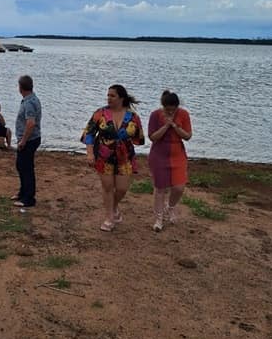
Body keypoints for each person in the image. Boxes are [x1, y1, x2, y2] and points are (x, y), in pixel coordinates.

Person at [82, 84, 145, 231]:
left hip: (125, 157)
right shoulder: (100, 113)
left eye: (112, 95)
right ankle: (109, 217)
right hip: (104, 155)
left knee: (122, 189)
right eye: (108, 95)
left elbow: (139, 138)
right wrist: (90, 153)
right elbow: (89, 134)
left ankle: (114, 206)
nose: (109, 98)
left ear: (121, 98)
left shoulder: (133, 117)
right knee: (108, 187)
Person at [148, 90, 192, 232]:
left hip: (177, 154)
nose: (171, 112)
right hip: (159, 154)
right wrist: (166, 126)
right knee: (160, 188)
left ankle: (171, 207)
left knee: (179, 187)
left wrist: (174, 126)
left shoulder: (183, 114)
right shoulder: (155, 115)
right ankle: (158, 218)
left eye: (174, 110)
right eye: (168, 110)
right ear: (163, 106)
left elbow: (187, 136)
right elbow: (153, 137)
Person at [12, 75, 42, 208]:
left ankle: (28, 198)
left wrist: (23, 140)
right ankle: (22, 192)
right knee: (21, 165)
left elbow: (30, 123)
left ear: (21, 87)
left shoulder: (29, 102)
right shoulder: (29, 99)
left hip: (29, 140)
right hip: (29, 139)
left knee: (26, 168)